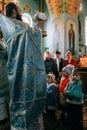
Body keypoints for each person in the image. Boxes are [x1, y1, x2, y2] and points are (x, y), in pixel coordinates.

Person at [0, 2, 46, 130]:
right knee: (23, 97)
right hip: (21, 70)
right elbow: (31, 34)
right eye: (19, 10)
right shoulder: (16, 25)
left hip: (17, 70)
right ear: (14, 11)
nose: (20, 13)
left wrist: (36, 23)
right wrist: (37, 23)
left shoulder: (8, 27)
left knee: (21, 98)